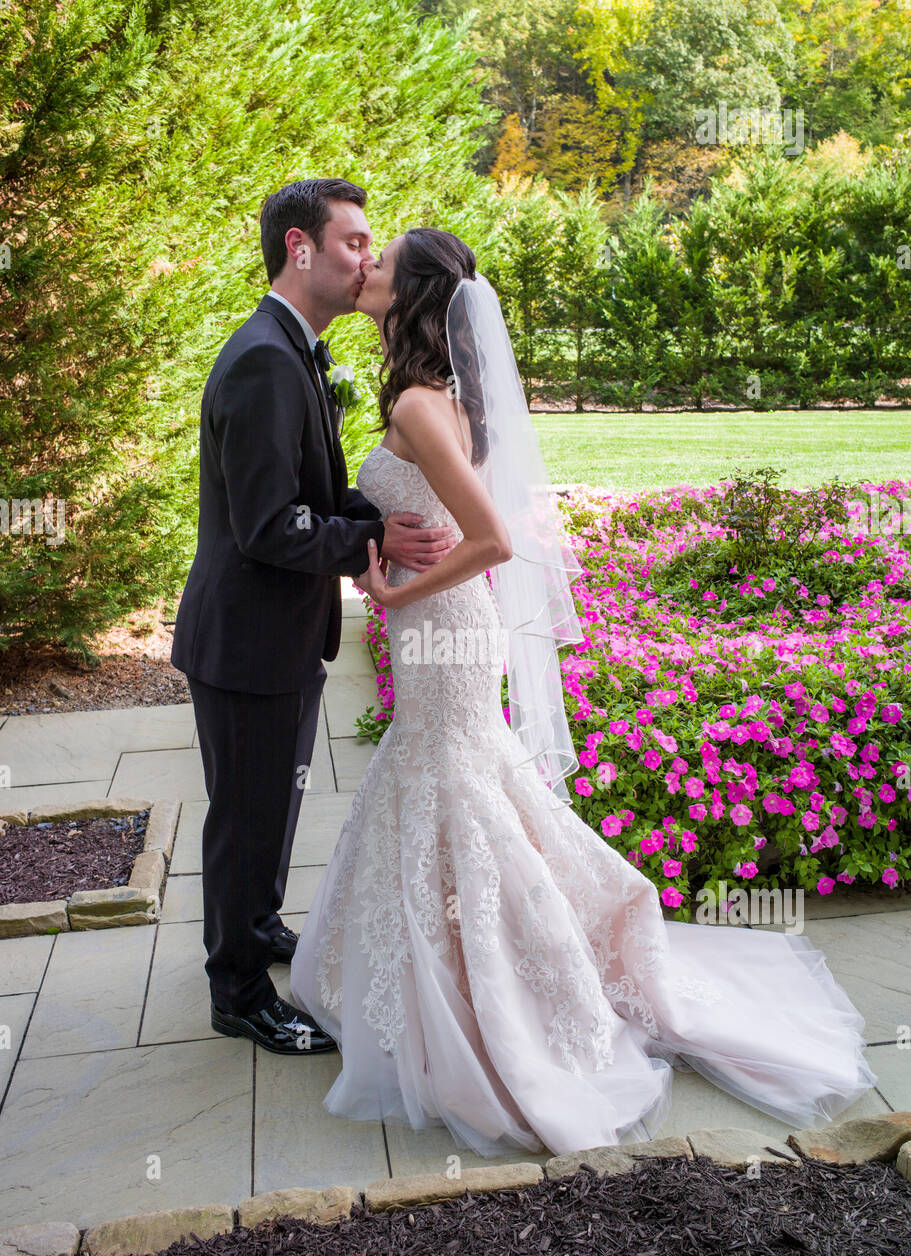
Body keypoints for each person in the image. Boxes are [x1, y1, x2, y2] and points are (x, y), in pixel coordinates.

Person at [287, 225, 877, 1159]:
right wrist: (382, 549)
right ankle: (477, 972)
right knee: (459, 787)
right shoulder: (441, 396)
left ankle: (515, 996)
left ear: (413, 299)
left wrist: (398, 588)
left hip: (444, 629)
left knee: (454, 792)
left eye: (382, 264)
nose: (366, 270)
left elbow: (490, 542)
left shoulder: (417, 404)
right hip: (445, 625)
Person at [170, 179, 457, 1056]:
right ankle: (240, 990)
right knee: (247, 814)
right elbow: (269, 525)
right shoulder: (264, 358)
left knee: (269, 808)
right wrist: (370, 540)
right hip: (246, 637)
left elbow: (311, 495)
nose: (369, 258)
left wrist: (372, 526)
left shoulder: (293, 349)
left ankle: (254, 929)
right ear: (300, 248)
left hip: (278, 633)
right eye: (353, 242)